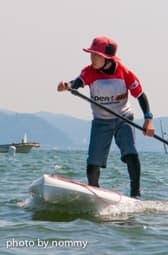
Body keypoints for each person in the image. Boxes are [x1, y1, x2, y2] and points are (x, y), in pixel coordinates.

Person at [57, 36, 155, 198]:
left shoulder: (125, 72)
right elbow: (78, 82)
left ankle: (135, 195)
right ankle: (95, 194)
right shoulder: (89, 71)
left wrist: (148, 120)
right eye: (91, 54)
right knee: (92, 165)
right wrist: (67, 86)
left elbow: (141, 96)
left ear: (107, 59)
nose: (92, 58)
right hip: (101, 122)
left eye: (96, 55)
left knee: (131, 154)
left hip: (124, 119)